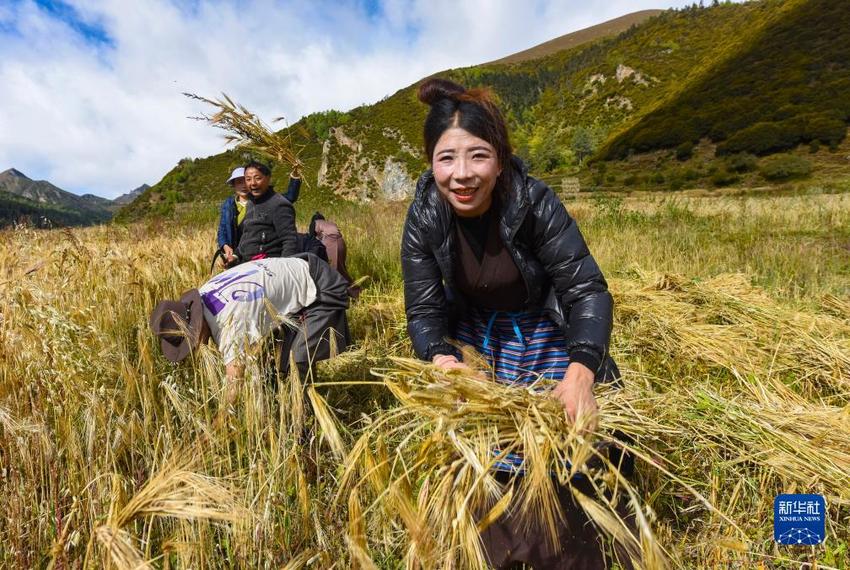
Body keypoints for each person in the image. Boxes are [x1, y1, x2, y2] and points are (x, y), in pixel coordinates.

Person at [401, 78, 627, 569]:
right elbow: (423, 313)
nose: (461, 174)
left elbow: (586, 290)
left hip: (542, 324)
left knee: (570, 446)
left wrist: (582, 372)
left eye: (478, 156)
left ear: (500, 160)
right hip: (477, 337)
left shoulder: (534, 202)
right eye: (446, 159)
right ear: (431, 164)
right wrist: (443, 360)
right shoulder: (423, 216)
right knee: (488, 455)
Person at [150, 253, 350, 399]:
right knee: (275, 359)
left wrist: (215, 430)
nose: (196, 347)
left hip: (319, 286)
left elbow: (234, 387)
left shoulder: (228, 326)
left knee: (297, 361)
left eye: (191, 342)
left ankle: (309, 424)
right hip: (299, 266)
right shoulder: (205, 294)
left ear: (197, 325)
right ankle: (295, 405)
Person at [233, 161, 300, 263]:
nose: (253, 183)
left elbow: (290, 241)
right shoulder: (250, 203)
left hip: (268, 265)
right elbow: (246, 237)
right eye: (248, 179)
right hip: (246, 264)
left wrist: (283, 269)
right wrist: (235, 256)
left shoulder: (279, 204)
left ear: (268, 178)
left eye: (258, 178)